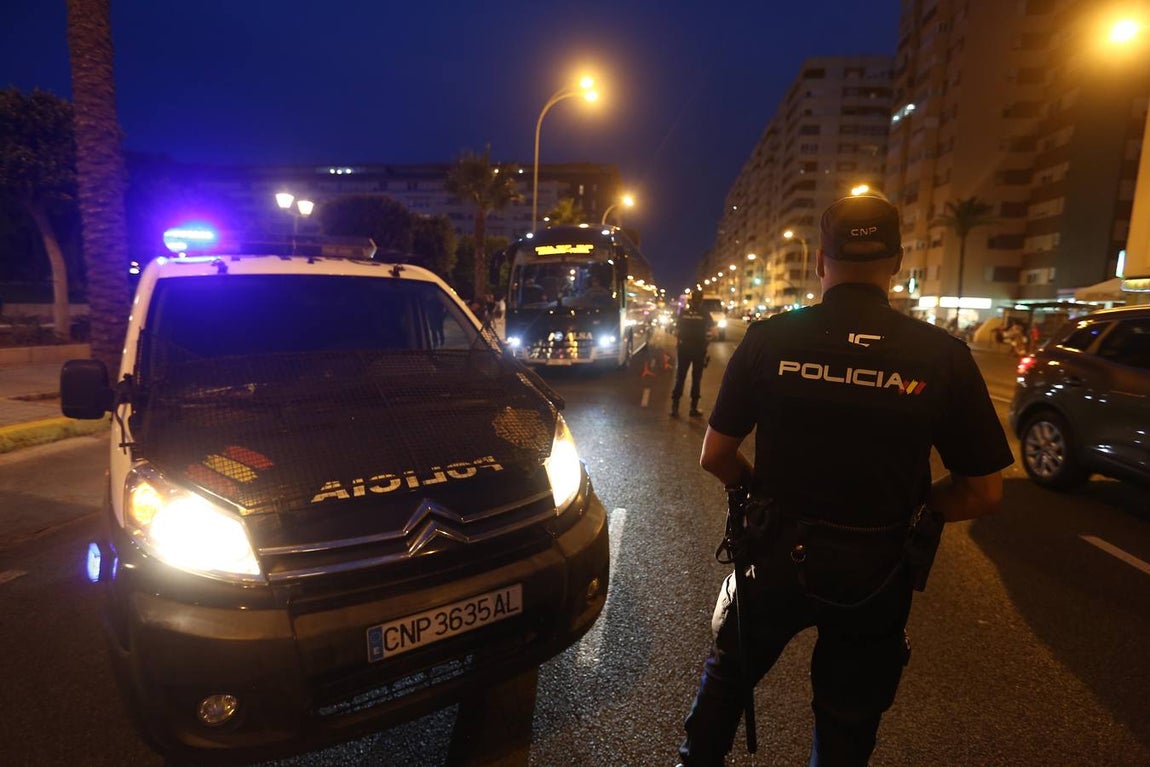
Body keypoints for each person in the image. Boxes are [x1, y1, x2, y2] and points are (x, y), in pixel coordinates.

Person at [676, 194, 1014, 767]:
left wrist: (757, 492)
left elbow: (716, 455)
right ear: (898, 262)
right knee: (846, 724)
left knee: (729, 677)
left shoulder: (768, 341)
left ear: (819, 262)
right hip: (876, 572)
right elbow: (983, 491)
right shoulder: (943, 358)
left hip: (775, 554)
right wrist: (916, 512)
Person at [671, 293, 714, 418]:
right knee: (696, 379)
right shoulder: (705, 313)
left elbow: (676, 332)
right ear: (701, 301)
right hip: (699, 349)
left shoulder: (683, 313)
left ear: (690, 301)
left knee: (680, 377)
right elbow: (713, 332)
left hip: (683, 348)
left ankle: (675, 407)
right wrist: (706, 342)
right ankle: (693, 409)